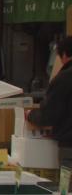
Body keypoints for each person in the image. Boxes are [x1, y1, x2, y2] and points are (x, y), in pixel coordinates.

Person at [27, 37, 72, 166]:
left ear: (64, 55)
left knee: (68, 185)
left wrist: (30, 115)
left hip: (69, 145)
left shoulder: (64, 79)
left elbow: (48, 116)